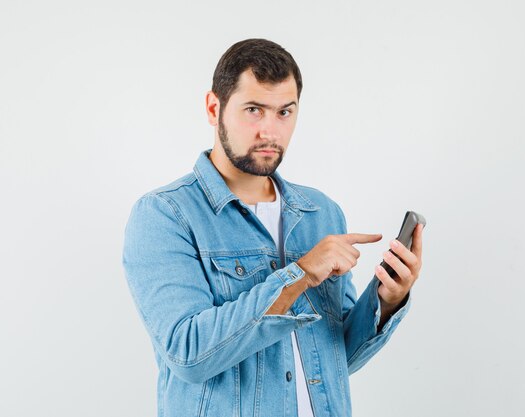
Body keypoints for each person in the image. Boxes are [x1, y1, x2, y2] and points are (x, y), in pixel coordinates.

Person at [122, 38, 424, 417]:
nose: (270, 131)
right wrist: (299, 275)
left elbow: (334, 358)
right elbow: (188, 354)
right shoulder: (165, 215)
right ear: (214, 108)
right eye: (254, 110)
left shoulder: (321, 213)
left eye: (284, 112)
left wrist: (387, 299)